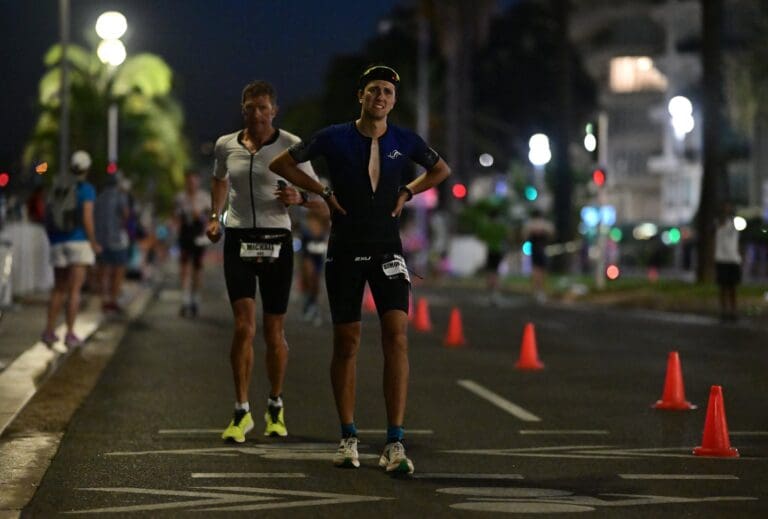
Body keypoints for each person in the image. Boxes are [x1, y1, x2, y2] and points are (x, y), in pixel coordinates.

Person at [270, 64, 451, 475]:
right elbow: (282, 163)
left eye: (387, 91)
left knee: (397, 337)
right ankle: (348, 436)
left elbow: (441, 170)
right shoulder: (334, 136)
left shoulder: (405, 140)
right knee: (347, 343)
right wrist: (322, 190)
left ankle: (395, 442)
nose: (380, 97)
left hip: (388, 249)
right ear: (361, 96)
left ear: (393, 100)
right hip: (345, 248)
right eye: (373, 90)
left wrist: (408, 190)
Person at [206, 80, 327, 443]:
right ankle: (241, 411)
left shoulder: (291, 145)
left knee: (274, 331)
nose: (256, 114)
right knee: (244, 327)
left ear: (274, 110)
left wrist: (299, 197)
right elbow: (219, 180)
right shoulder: (226, 144)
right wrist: (215, 216)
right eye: (249, 107)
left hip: (277, 241)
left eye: (262, 107)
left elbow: (320, 194)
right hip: (240, 240)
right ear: (242, 110)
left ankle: (275, 404)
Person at [41, 150, 101, 350]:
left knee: (58, 288)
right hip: (79, 243)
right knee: (74, 290)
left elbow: (47, 216)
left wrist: (52, 239)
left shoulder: (58, 187)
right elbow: (87, 218)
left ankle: (49, 331)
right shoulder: (87, 189)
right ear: (87, 168)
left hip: (58, 242)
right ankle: (70, 333)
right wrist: (93, 242)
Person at [174, 171, 210, 317]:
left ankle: (195, 298)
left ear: (198, 182)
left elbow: (210, 216)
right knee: (184, 266)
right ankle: (185, 299)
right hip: (185, 234)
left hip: (199, 235)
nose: (192, 184)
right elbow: (176, 216)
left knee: (197, 267)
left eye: (194, 181)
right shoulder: (180, 197)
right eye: (189, 181)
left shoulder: (204, 197)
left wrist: (201, 216)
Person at [94, 173, 131, 313]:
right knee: (119, 270)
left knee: (104, 271)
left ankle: (104, 300)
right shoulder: (120, 195)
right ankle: (113, 300)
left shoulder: (99, 197)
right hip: (116, 239)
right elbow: (126, 214)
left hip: (101, 240)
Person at [299, 209, 329, 325]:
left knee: (316, 284)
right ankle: (308, 305)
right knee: (308, 280)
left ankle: (313, 305)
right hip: (308, 258)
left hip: (319, 259)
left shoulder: (324, 227)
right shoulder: (305, 229)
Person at [714, 202, 741, 321]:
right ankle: (724, 310)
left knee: (732, 287)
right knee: (723, 287)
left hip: (733, 259)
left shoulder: (735, 223)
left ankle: (733, 310)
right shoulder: (717, 224)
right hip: (721, 259)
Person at [522, 208, 555, 303]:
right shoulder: (546, 224)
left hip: (534, 248)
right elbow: (552, 234)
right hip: (543, 248)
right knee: (543, 270)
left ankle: (536, 290)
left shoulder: (529, 224)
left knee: (536, 269)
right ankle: (541, 291)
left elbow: (524, 235)